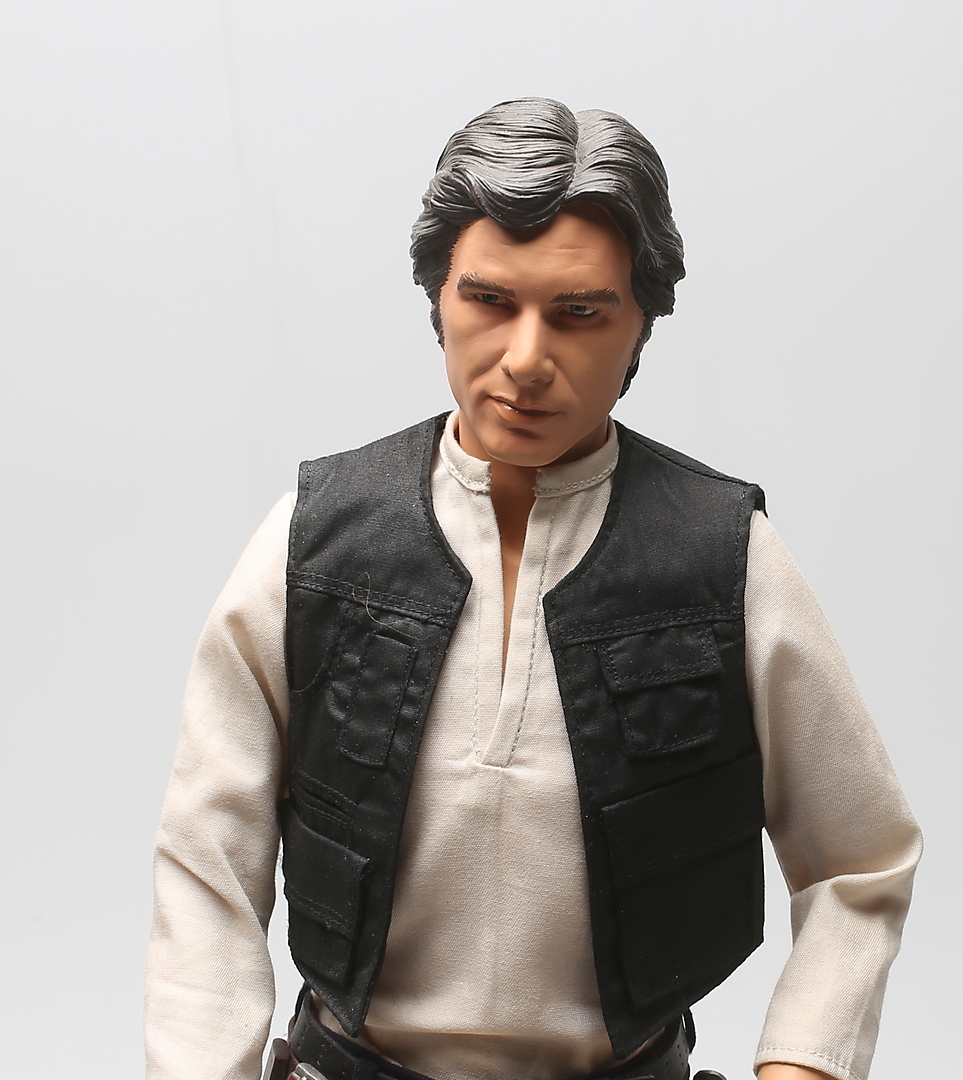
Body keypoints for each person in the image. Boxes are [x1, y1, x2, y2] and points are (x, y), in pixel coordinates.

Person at [145, 98, 921, 1080]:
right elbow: (206, 859)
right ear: (437, 297)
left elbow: (860, 858)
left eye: (579, 313)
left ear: (641, 323)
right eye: (488, 300)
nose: (524, 359)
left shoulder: (721, 559)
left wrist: (803, 1065)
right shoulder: (317, 541)